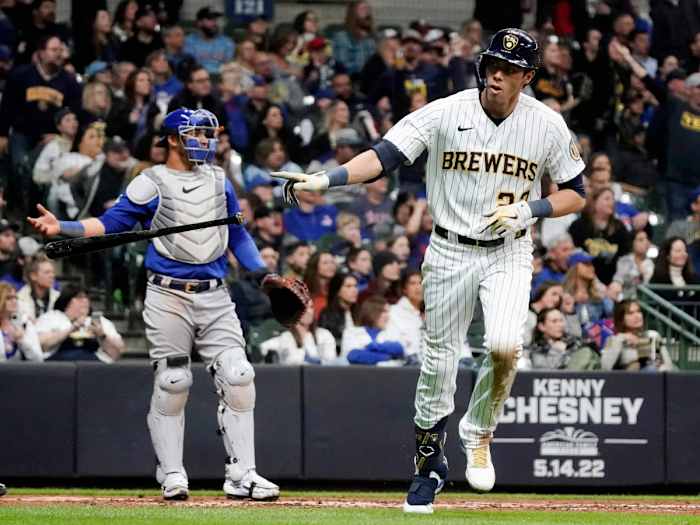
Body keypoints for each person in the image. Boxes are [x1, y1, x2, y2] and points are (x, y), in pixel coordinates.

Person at [272, 28, 586, 512]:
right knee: (438, 364)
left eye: (508, 69)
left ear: (528, 76)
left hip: (509, 249)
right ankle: (428, 465)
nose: (496, 75)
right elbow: (383, 158)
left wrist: (532, 210)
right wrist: (325, 179)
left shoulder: (546, 124)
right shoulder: (446, 110)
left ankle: (478, 431)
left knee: (505, 347)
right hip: (449, 250)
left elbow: (576, 191)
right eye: (491, 65)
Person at [28, 108, 279, 501]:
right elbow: (112, 224)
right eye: (195, 132)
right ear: (173, 139)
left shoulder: (218, 179)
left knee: (239, 374)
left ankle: (242, 474)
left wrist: (263, 273)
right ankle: (172, 472)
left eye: (208, 132)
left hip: (215, 293)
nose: (205, 140)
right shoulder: (151, 181)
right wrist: (64, 227)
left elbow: (237, 233)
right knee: (173, 380)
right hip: (167, 293)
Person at [35, 284, 124, 362]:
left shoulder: (100, 321)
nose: (85, 301)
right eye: (80, 298)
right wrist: (72, 329)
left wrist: (102, 335)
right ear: (67, 300)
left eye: (87, 298)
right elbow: (42, 345)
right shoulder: (51, 317)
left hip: (92, 366)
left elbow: (117, 352)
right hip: (58, 367)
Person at [601, 299, 675, 371]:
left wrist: (642, 343)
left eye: (638, 311)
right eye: (630, 313)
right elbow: (605, 368)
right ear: (621, 320)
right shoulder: (614, 340)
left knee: (651, 368)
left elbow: (668, 366)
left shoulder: (652, 336)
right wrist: (621, 338)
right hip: (628, 380)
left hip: (654, 378)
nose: (637, 316)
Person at [259, 301, 336, 365]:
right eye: (304, 308)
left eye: (311, 307)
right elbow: (262, 348)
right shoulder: (286, 337)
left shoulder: (324, 335)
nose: (309, 311)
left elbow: (331, 361)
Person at [341, 295, 405, 365]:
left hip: (389, 374)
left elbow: (399, 349)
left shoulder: (391, 332)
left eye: (388, 312)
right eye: (384, 311)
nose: (387, 316)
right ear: (372, 312)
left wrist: (372, 347)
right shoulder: (351, 332)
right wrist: (388, 356)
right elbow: (353, 355)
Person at [386, 270, 424, 362]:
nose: (418, 287)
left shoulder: (433, 312)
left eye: (421, 283)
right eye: (412, 283)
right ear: (404, 289)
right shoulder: (393, 312)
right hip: (407, 365)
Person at [184, 8, 235, 76]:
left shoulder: (227, 42)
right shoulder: (189, 41)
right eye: (210, 20)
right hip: (198, 78)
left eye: (215, 20)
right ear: (199, 23)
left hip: (221, 78)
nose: (214, 23)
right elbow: (191, 65)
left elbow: (228, 65)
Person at [0, 282, 43, 362]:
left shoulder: (25, 324)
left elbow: (38, 359)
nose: (14, 301)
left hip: (16, 372)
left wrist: (22, 341)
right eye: (9, 298)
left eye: (15, 298)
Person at [318, 270, 358, 354]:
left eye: (355, 286)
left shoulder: (359, 312)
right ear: (338, 290)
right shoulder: (327, 315)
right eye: (348, 286)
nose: (354, 290)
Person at [16, 254, 58, 323]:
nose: (52, 276)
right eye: (47, 272)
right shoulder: (19, 299)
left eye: (53, 272)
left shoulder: (58, 297)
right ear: (33, 276)